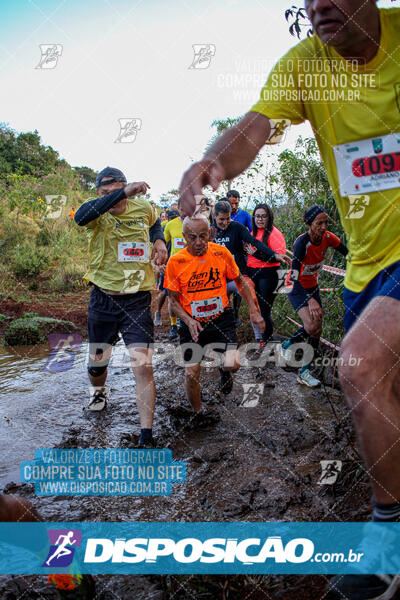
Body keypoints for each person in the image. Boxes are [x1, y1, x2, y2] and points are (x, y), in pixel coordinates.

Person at [179, 2, 400, 596]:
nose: (321, 4)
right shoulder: (305, 65)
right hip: (364, 270)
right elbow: (255, 129)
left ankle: (388, 544)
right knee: (376, 383)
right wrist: (211, 164)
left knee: (359, 363)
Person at [74, 166, 167, 448]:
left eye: (119, 194)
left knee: (143, 366)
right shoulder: (96, 214)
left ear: (128, 190)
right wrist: (119, 194)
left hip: (137, 299)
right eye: (106, 195)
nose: (114, 200)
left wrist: (159, 239)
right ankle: (99, 393)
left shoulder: (143, 207)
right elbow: (80, 217)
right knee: (96, 365)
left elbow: (154, 222)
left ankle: (146, 435)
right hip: (104, 298)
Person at [164, 216, 265, 413]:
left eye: (203, 236)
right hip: (192, 323)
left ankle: (224, 372)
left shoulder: (221, 253)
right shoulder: (176, 262)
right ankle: (198, 413)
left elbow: (240, 281)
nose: (199, 242)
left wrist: (254, 310)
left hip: (221, 318)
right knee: (191, 374)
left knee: (232, 364)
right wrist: (187, 319)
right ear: (183, 237)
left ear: (210, 233)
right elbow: (173, 302)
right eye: (192, 237)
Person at [280, 205, 347, 387]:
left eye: (326, 222)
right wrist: (309, 300)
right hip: (295, 286)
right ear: (310, 224)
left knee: (317, 327)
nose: (324, 226)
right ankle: (288, 345)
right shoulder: (302, 243)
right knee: (311, 327)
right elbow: (293, 276)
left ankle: (304, 371)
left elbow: (348, 254)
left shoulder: (328, 238)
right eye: (319, 223)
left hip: (312, 286)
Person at [213, 199, 290, 332]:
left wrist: (275, 255)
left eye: (228, 218)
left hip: (240, 276)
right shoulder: (209, 230)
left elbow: (254, 242)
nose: (225, 222)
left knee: (257, 306)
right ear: (214, 216)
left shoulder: (237, 227)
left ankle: (261, 340)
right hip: (218, 279)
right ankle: (222, 338)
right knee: (219, 310)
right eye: (221, 219)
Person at [245, 203, 288, 358]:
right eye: (257, 216)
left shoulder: (274, 234)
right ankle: (264, 341)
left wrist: (256, 254)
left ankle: (265, 345)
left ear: (269, 217)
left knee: (265, 311)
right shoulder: (254, 232)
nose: (260, 219)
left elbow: (278, 258)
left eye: (263, 216)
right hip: (254, 273)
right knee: (257, 309)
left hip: (269, 275)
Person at [154, 201, 185, 339]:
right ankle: (173, 326)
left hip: (192, 267)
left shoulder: (197, 223)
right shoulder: (170, 225)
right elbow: (160, 244)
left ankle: (185, 323)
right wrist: (157, 263)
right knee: (171, 297)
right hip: (173, 267)